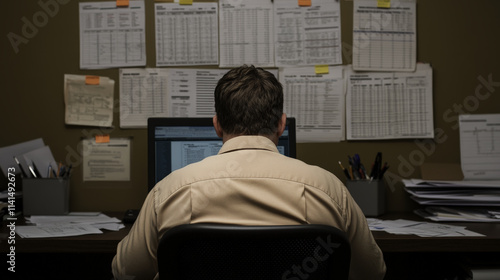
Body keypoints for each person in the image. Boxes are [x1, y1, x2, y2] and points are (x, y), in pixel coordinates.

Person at [112, 65, 386, 280]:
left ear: (217, 126)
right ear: (281, 124)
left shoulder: (170, 191)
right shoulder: (328, 189)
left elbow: (126, 272)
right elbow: (372, 273)